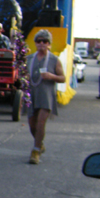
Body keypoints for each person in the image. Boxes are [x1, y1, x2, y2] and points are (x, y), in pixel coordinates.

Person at [26, 29, 65, 164]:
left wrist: (51, 76)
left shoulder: (54, 60)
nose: (42, 43)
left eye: (45, 41)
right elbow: (23, 76)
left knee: (41, 122)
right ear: (35, 43)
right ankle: (40, 143)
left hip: (46, 96)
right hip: (32, 95)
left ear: (49, 44)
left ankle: (35, 151)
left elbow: (63, 78)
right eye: (39, 41)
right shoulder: (29, 58)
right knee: (32, 124)